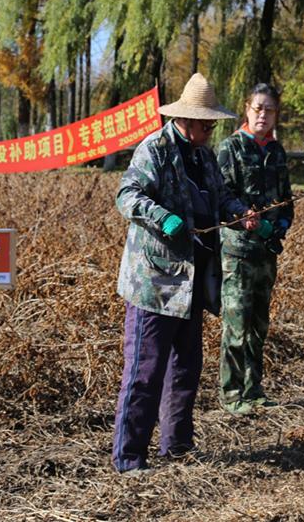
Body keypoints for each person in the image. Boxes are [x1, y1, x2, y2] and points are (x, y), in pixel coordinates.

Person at [112, 73, 258, 473]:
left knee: (185, 369)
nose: (211, 128)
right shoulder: (155, 150)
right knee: (145, 370)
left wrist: (238, 212)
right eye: (206, 122)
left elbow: (221, 195)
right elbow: (127, 195)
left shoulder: (204, 157)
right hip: (155, 282)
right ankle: (129, 457)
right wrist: (162, 218)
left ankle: (176, 446)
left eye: (213, 122)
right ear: (186, 118)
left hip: (192, 281)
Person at [216, 83, 294, 415]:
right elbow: (221, 196)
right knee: (236, 324)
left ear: (277, 114)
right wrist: (242, 217)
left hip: (267, 252)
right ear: (247, 108)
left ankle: (253, 388)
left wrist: (281, 225)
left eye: (270, 109)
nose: (263, 115)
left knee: (259, 325)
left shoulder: (276, 152)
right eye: (257, 108)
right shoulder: (231, 148)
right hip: (238, 252)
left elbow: (287, 198)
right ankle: (231, 394)